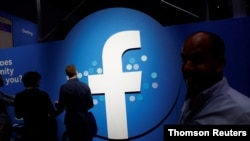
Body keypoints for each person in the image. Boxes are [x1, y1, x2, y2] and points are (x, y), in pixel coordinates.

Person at [178, 31, 250, 125]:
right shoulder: (193, 101)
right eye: (184, 59)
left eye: (197, 59)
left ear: (219, 64)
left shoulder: (243, 113)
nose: (186, 67)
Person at [14, 71, 58, 141]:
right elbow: (52, 112)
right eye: (39, 80)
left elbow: (18, 115)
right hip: (43, 131)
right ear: (36, 81)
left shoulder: (19, 96)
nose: (40, 82)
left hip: (28, 131)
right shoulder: (43, 95)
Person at [55, 64, 94, 141]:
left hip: (71, 122)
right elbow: (90, 104)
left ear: (67, 74)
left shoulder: (64, 87)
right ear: (76, 72)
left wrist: (57, 104)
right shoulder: (85, 86)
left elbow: (61, 108)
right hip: (83, 121)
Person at [0, 75, 15, 141]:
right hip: (2, 123)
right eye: (0, 78)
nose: (3, 80)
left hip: (5, 121)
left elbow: (11, 97)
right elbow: (10, 101)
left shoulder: (0, 92)